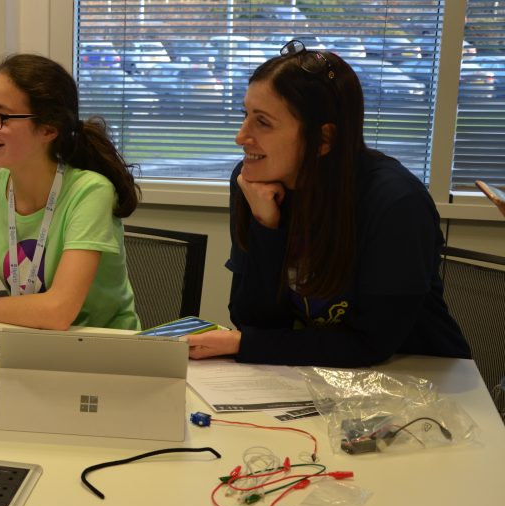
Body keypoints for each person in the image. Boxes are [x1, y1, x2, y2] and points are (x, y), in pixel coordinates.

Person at [186, 41, 470, 366]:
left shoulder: (396, 202)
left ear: (323, 140)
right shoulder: (254, 183)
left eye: (262, 122)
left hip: (421, 374)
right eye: (245, 115)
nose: (240, 136)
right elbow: (253, 322)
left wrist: (245, 344)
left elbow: (371, 343)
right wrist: (267, 226)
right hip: (321, 374)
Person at [0, 53, 141, 330]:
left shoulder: (91, 192)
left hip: (103, 355)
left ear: (48, 130)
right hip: (27, 347)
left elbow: (58, 312)